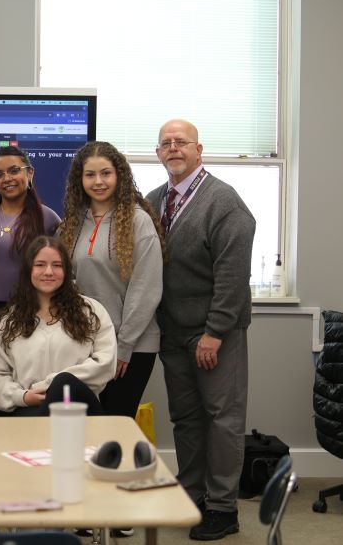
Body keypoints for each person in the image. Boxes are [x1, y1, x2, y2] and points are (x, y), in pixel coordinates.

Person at [147, 119, 255, 541]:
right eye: (166, 143)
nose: (174, 148)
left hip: (214, 334)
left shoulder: (223, 201)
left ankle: (223, 507)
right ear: (158, 153)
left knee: (222, 418)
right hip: (173, 333)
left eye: (182, 142)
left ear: (199, 150)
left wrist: (215, 332)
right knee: (187, 419)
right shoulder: (155, 201)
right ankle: (191, 495)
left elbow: (232, 275)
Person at [59, 141, 164, 418]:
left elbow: (146, 288)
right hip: (87, 343)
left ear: (119, 175)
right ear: (79, 179)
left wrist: (124, 347)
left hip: (131, 346)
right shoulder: (71, 223)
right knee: (85, 426)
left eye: (105, 173)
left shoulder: (137, 221)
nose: (98, 181)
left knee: (115, 424)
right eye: (90, 174)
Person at [0, 236, 116, 416]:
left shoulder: (91, 312)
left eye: (57, 265)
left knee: (65, 382)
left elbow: (105, 364)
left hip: (79, 408)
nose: (49, 272)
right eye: (40, 264)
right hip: (29, 409)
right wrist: (22, 396)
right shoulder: (8, 321)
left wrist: (51, 386)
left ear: (66, 271)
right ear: (28, 270)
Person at [0, 146, 60, 415]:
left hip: (29, 313)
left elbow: (59, 271)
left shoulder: (47, 218)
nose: (6, 178)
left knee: (22, 389)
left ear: (29, 173)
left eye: (13, 171)